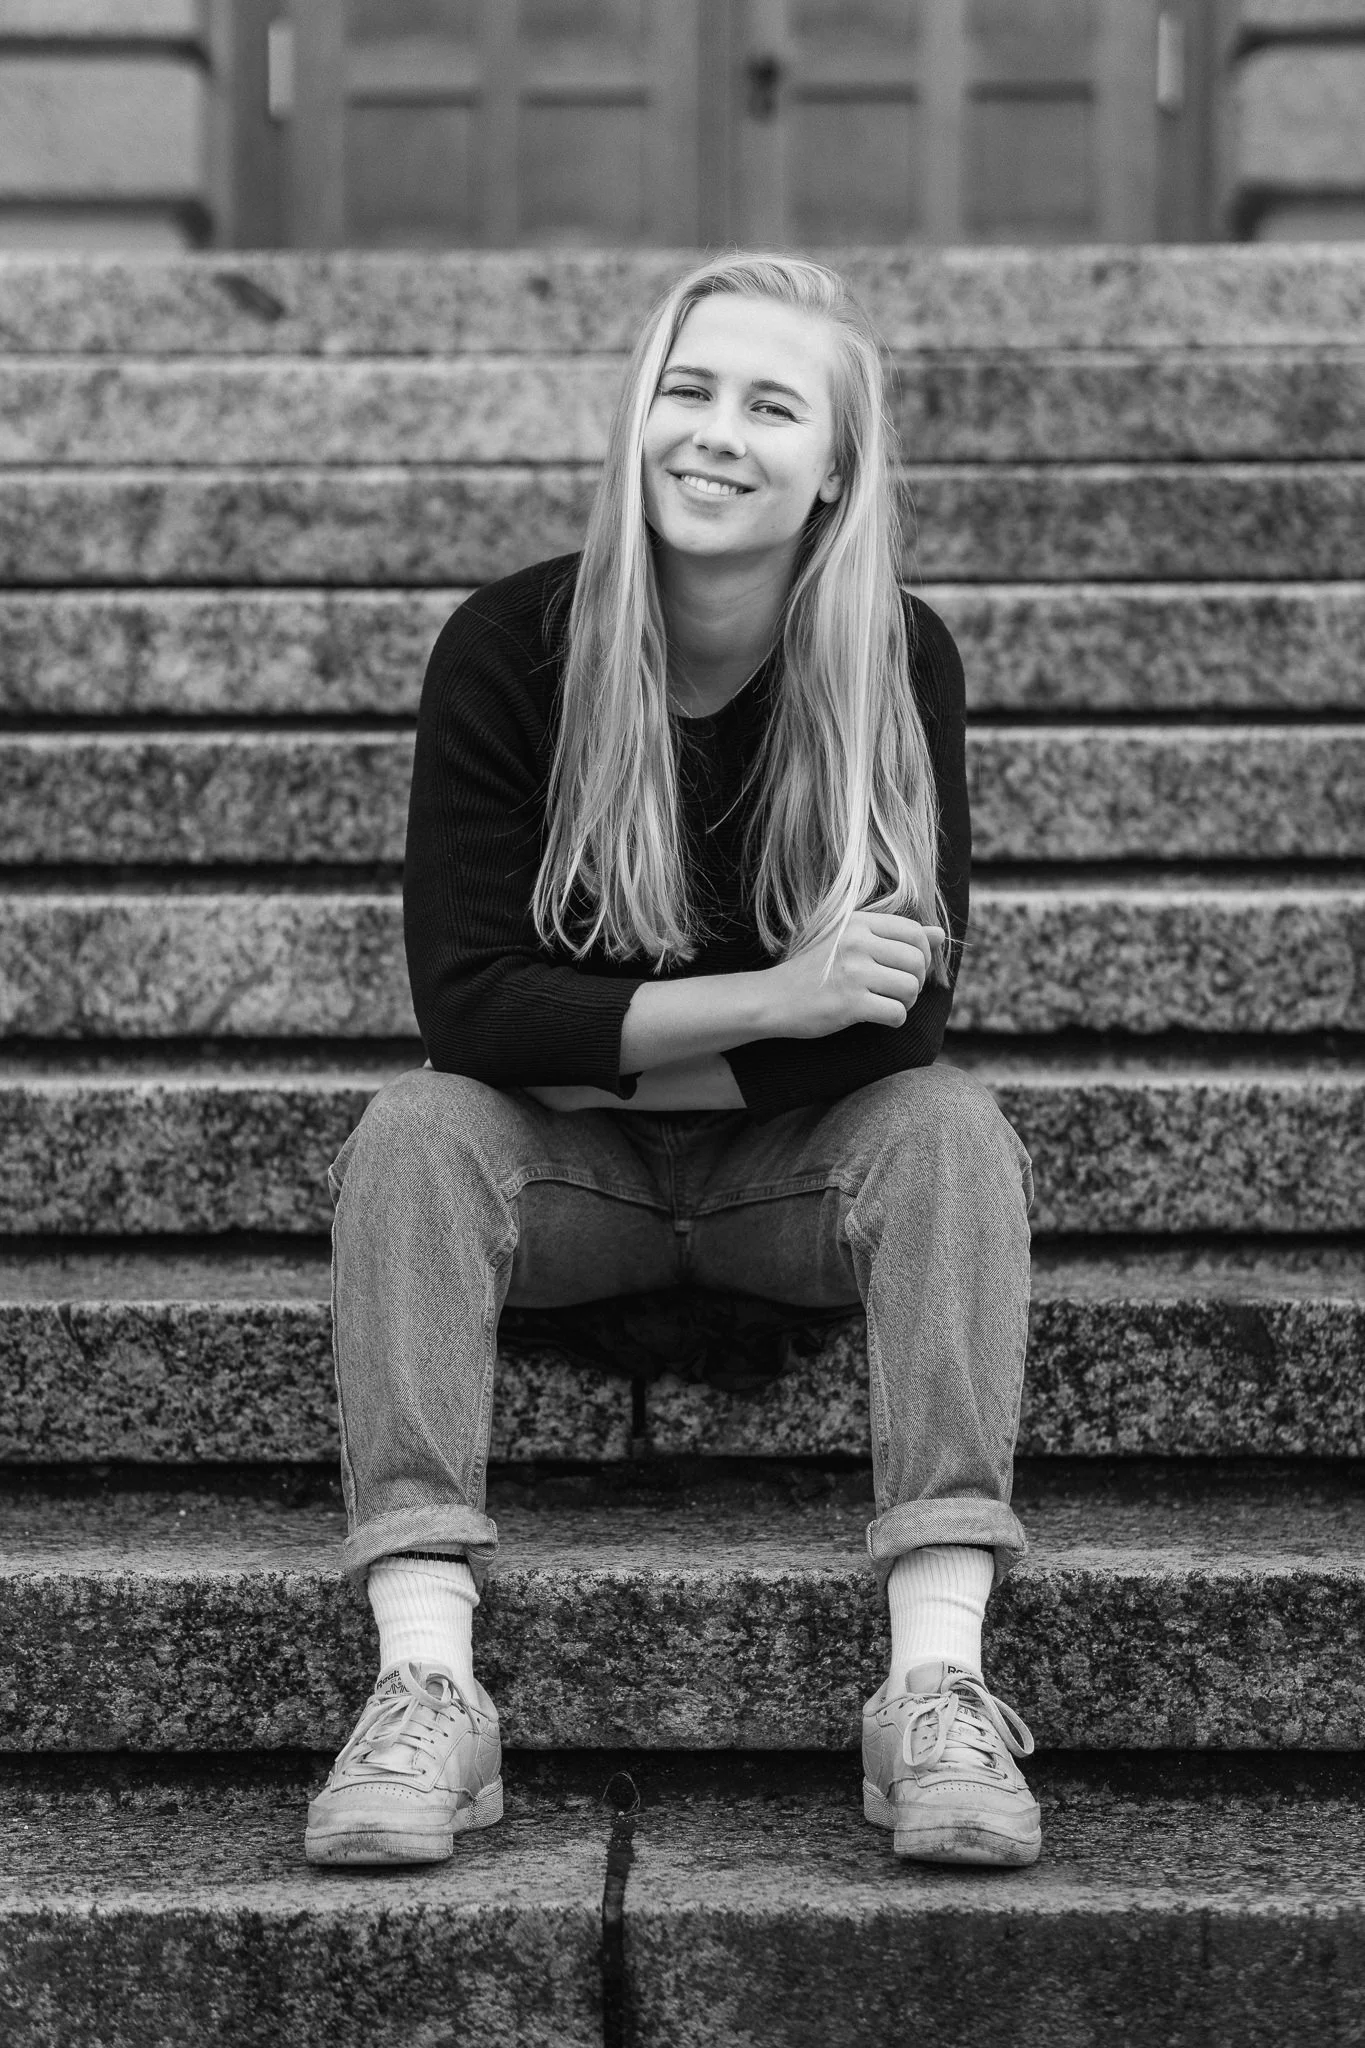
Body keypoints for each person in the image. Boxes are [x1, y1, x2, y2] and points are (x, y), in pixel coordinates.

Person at [304, 253, 1039, 1872]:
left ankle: (938, 1689)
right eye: (687, 389)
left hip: (794, 1188)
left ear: (834, 467)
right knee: (416, 1133)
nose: (714, 434)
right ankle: (426, 1683)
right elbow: (473, 1014)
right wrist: (775, 1000)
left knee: (950, 1133)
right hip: (567, 1193)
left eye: (771, 403)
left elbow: (899, 1027)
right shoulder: (514, 647)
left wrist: (608, 1053)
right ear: (640, 412)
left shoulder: (893, 662)